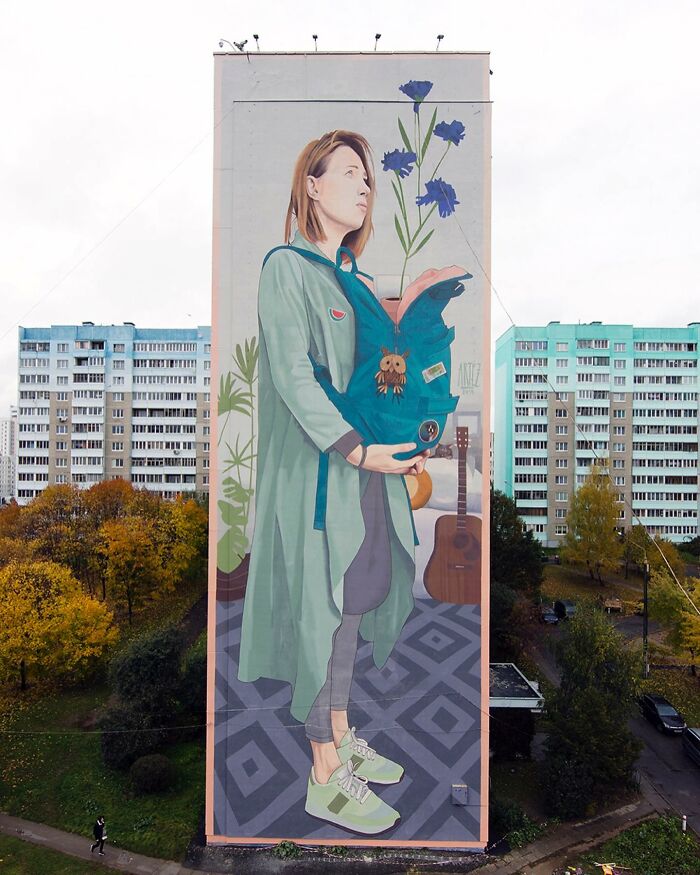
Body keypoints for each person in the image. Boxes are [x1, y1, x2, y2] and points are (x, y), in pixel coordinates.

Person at [237, 130, 431, 835]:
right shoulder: (284, 269)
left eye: (369, 176)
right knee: (322, 612)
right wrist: (357, 448)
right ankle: (324, 772)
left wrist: (407, 378)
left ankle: (342, 730)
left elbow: (373, 379)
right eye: (348, 171)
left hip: (364, 474)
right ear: (311, 186)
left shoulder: (355, 281)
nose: (364, 184)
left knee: (351, 604)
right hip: (321, 476)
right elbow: (293, 375)